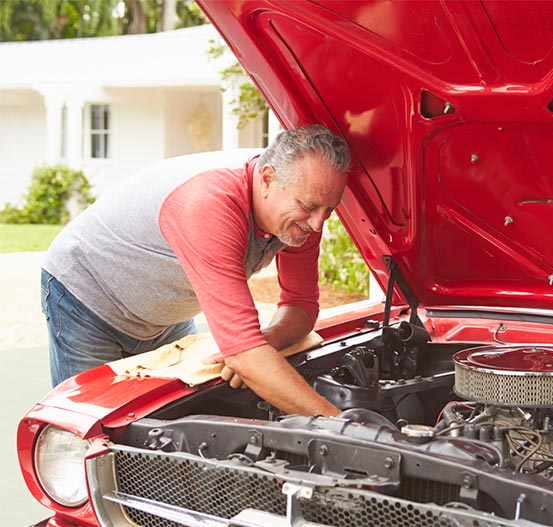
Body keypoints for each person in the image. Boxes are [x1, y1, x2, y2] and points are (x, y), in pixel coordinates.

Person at [41, 125, 350, 417]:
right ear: (267, 179)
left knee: (169, 415)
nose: (317, 223)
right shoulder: (209, 205)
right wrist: (339, 425)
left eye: (329, 210)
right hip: (86, 300)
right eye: (309, 207)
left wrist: (267, 341)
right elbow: (244, 353)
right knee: (95, 427)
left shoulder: (301, 207)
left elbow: (301, 306)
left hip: (164, 313)